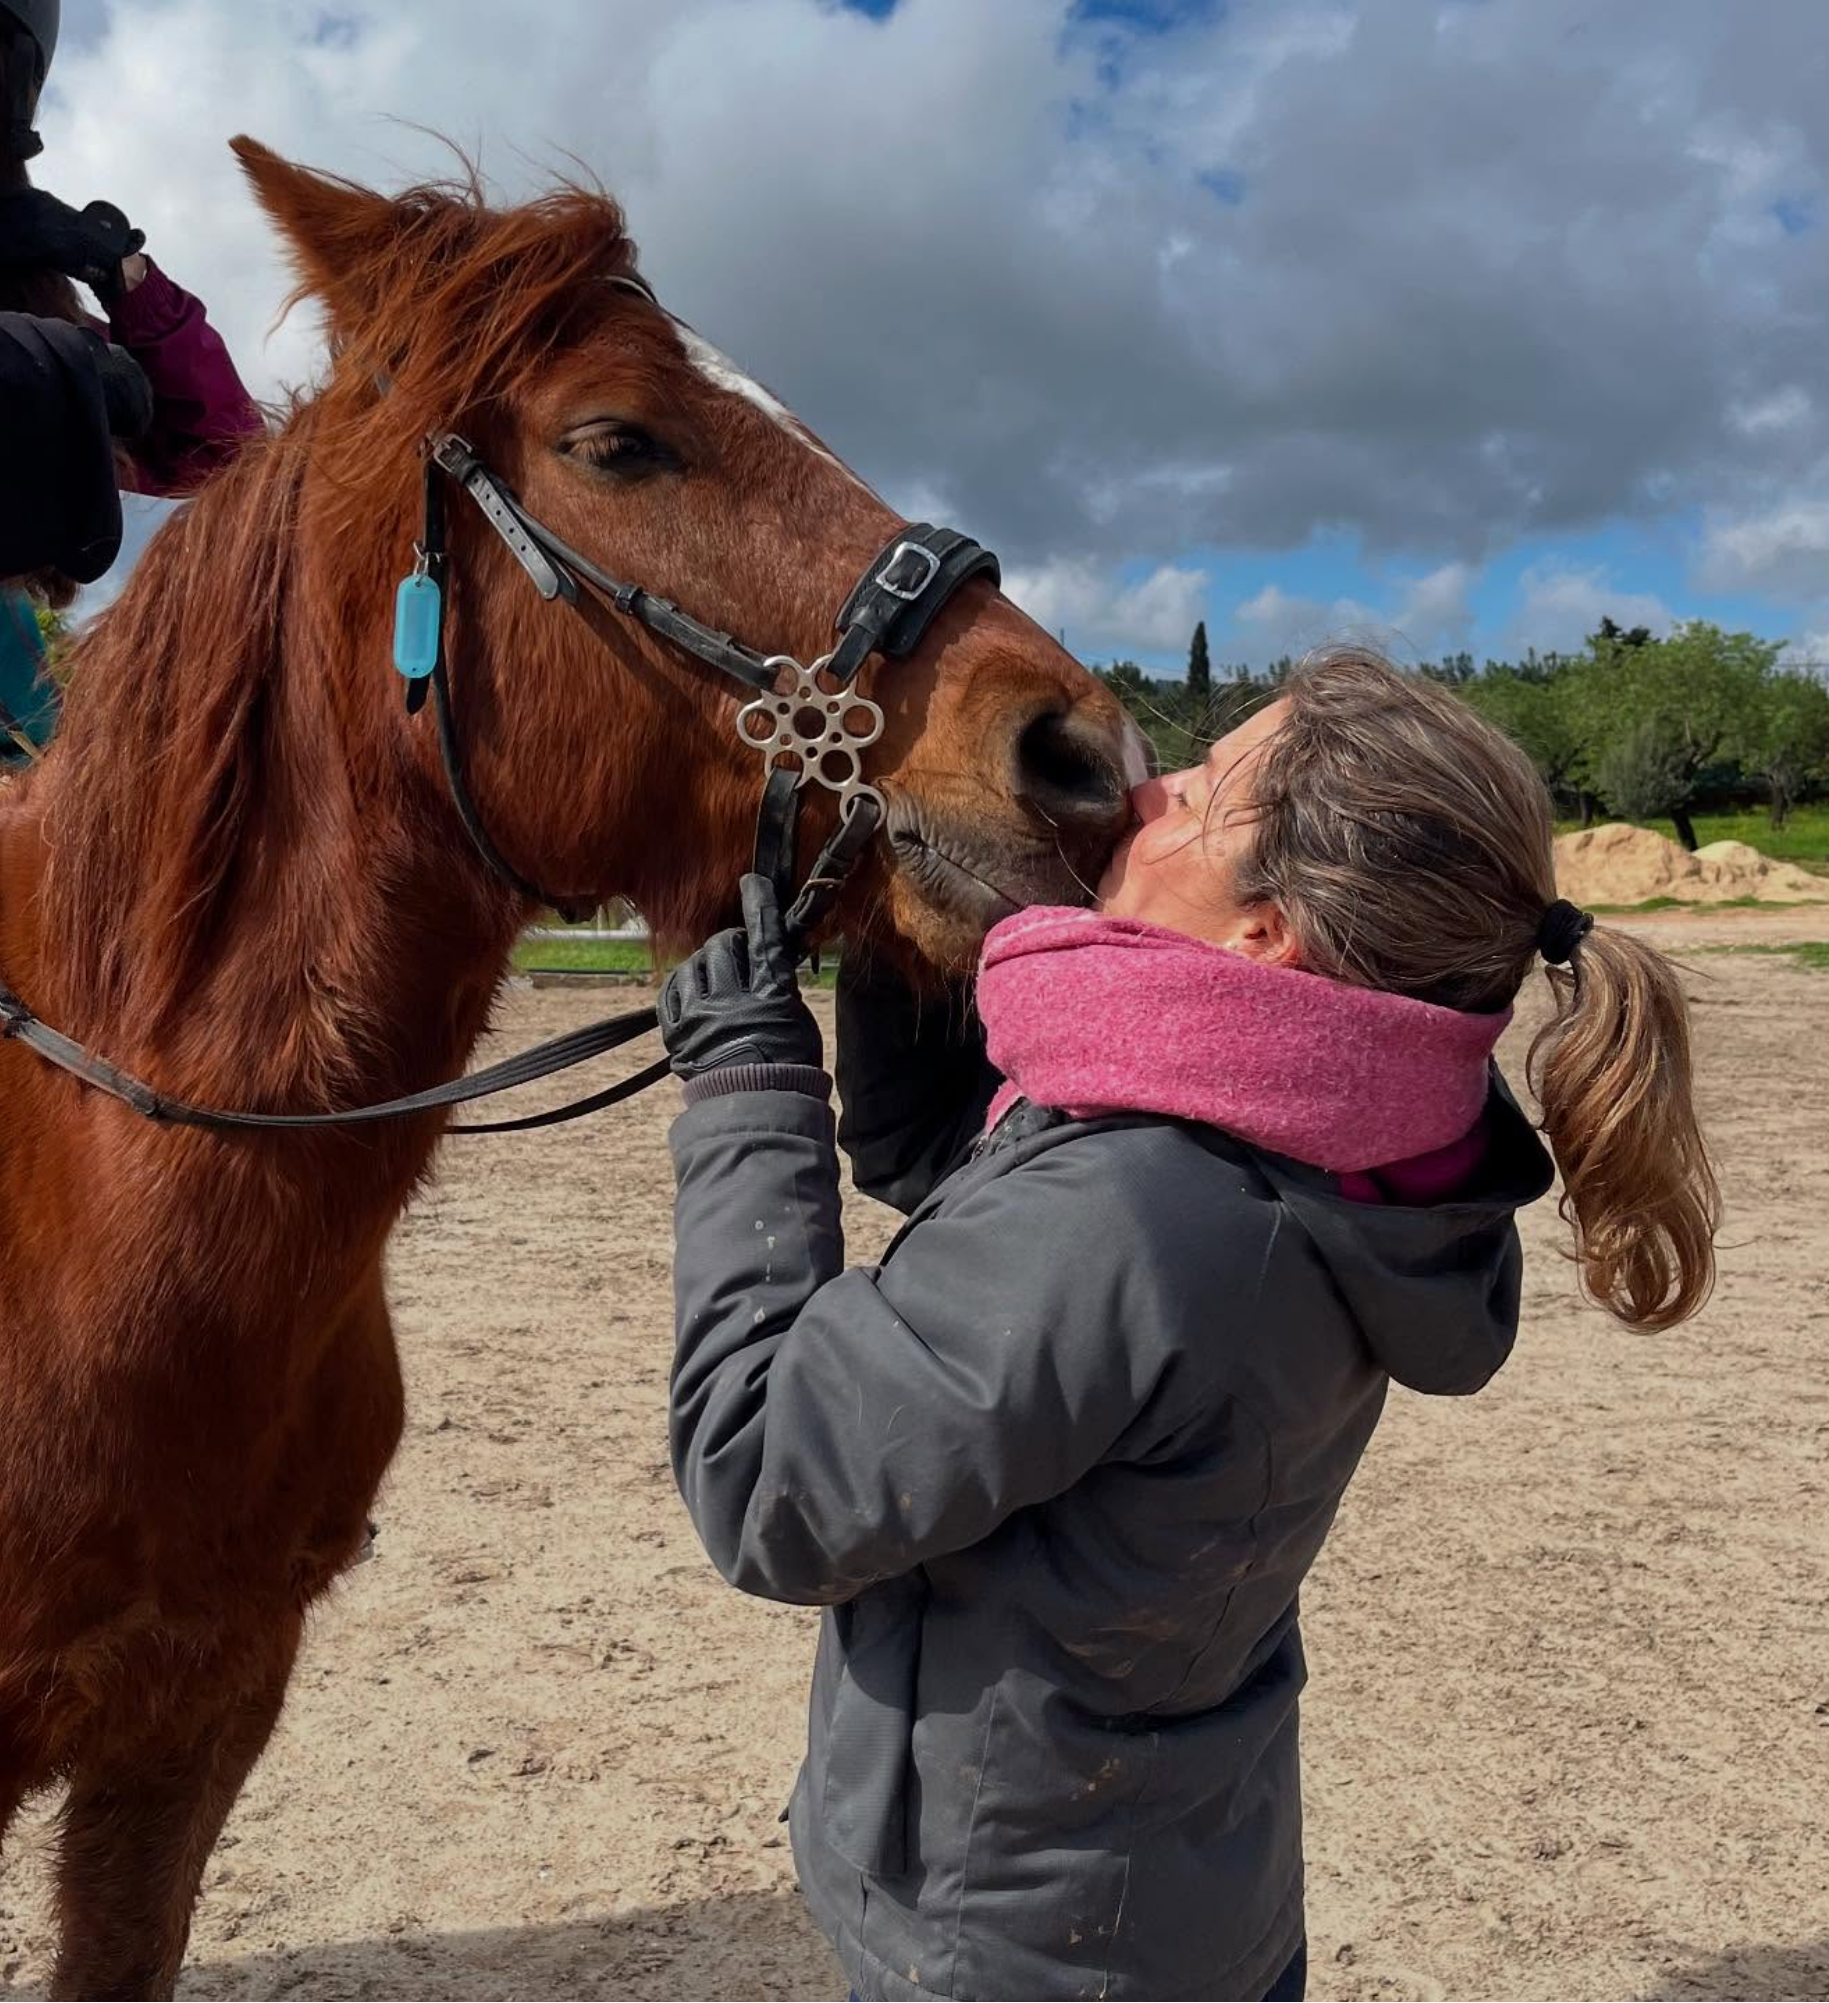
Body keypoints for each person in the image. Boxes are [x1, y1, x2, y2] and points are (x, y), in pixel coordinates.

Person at [655, 648, 1719, 2003]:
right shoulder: (1338, 1150)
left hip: (1010, 1935)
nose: (1146, 791)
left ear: (1267, 938)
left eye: (1204, 791)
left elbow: (767, 1478)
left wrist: (745, 1084)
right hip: (1163, 1890)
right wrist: (903, 909)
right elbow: (947, 1157)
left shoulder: (1145, 1203)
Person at [1, 0, 261, 758]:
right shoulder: (61, 365)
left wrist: (130, 286)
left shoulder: (63, 333)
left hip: (67, 795)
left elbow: (225, 469)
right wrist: (54, 378)